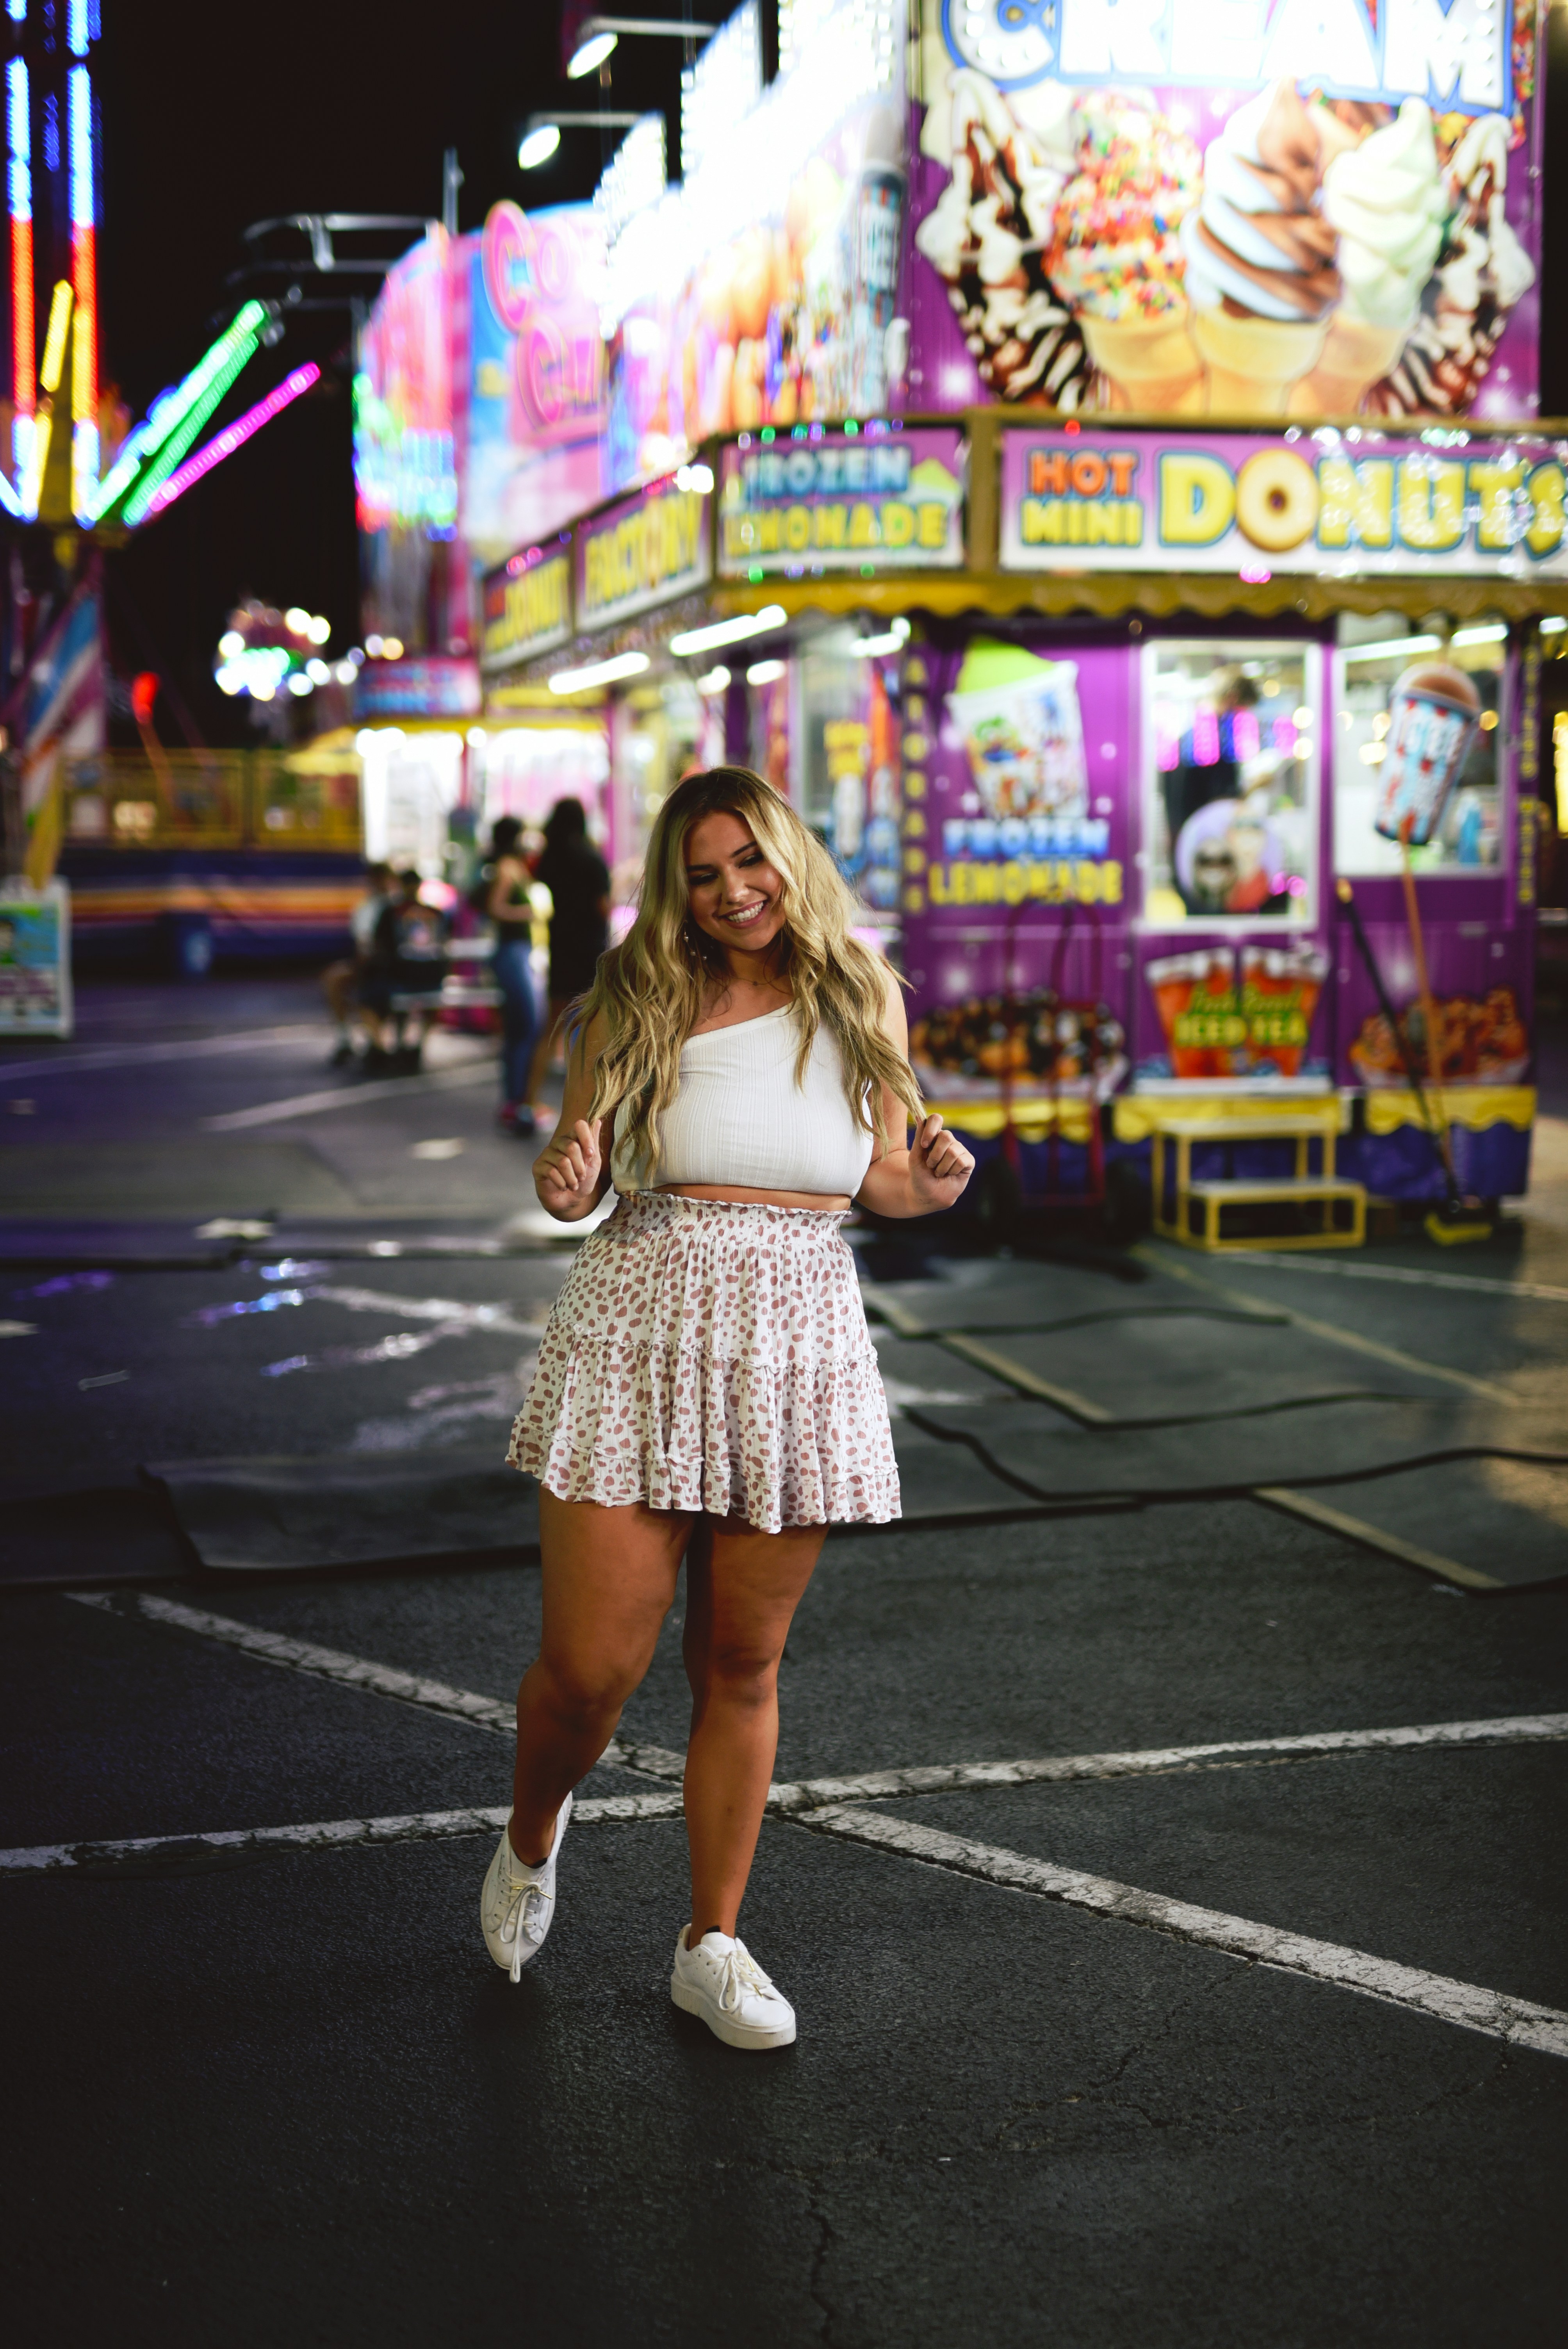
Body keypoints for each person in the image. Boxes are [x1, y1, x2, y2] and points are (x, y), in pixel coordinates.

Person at [483, 766, 975, 2050]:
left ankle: (711, 1940)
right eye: (702, 873)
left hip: (796, 1338)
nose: (732, 890)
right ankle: (532, 1833)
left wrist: (933, 1180)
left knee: (741, 1663)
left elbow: (875, 1178)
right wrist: (561, 1169)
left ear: (789, 856)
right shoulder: (639, 992)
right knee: (589, 1674)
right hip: (637, 1329)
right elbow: (569, 1178)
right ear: (675, 885)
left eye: (749, 861)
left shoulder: (855, 993)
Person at [523, 796, 611, 1121]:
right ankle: (587, 1113)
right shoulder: (592, 858)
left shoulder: (549, 859)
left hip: (561, 949)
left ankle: (530, 1098)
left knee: (551, 1029)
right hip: (589, 951)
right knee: (593, 1031)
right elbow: (603, 905)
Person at [484, 816, 540, 1135]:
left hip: (516, 953)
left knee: (523, 1027)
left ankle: (516, 1098)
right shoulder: (508, 867)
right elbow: (496, 907)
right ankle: (515, 1100)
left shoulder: (511, 865)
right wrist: (526, 913)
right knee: (525, 1025)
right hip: (512, 953)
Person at [368, 868, 448, 1070]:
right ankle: (414, 1046)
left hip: (400, 978)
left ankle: (381, 1047)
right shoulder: (435, 913)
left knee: (368, 997)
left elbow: (378, 947)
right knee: (425, 1001)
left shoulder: (391, 912)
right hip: (432, 979)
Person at [321, 862, 393, 1065]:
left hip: (388, 968)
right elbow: (362, 946)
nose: (379, 884)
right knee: (333, 979)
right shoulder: (366, 908)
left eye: (383, 879)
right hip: (373, 966)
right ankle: (345, 1037)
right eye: (376, 879)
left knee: (369, 991)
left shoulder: (397, 906)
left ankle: (376, 1041)